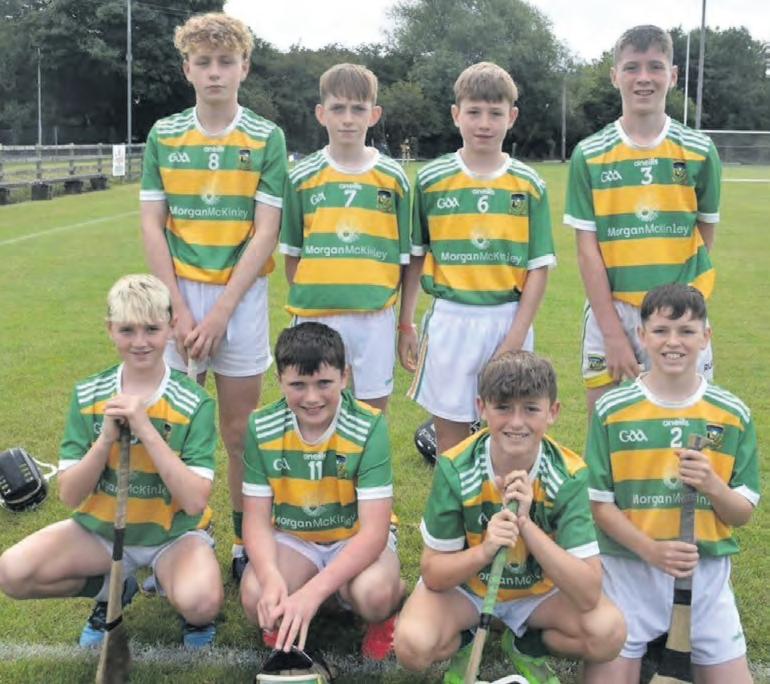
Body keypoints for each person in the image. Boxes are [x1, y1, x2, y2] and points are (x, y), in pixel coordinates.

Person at [140, 12, 288, 580]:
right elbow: (153, 225)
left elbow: (265, 232)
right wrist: (178, 310)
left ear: (244, 67)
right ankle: (185, 534)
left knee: (237, 431)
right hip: (176, 297)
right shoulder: (164, 134)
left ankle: (244, 540)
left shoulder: (266, 136)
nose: (215, 72)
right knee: (174, 426)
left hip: (240, 300)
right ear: (187, 69)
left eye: (226, 61)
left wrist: (222, 311)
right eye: (203, 62)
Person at [0, 274, 222, 649]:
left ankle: (177, 581)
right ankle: (114, 590)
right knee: (13, 573)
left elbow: (195, 500)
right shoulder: (89, 394)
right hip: (103, 531)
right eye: (127, 330)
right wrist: (104, 440)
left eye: (151, 329)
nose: (140, 342)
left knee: (201, 604)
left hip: (172, 535)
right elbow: (70, 495)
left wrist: (146, 430)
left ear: (171, 328)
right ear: (110, 330)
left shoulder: (194, 402)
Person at [394, 351, 626, 683]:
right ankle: (466, 640)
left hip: (540, 596)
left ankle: (527, 645)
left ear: (552, 412)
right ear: (481, 408)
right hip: (468, 592)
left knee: (608, 633)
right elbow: (433, 573)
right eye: (503, 408)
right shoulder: (455, 468)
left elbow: (589, 591)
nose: (516, 422)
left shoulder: (569, 476)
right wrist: (486, 550)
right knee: (412, 646)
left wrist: (526, 526)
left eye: (531, 409)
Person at [583, 283, 758, 683]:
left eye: (686, 331)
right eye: (661, 331)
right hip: (629, 572)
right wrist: (652, 551)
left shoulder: (732, 414)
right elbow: (599, 504)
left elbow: (742, 512)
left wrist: (713, 485)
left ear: (705, 338)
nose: (673, 342)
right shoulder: (613, 410)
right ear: (642, 336)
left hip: (705, 578)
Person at [563, 25, 721, 416]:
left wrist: (679, 307)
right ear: (614, 75)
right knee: (608, 427)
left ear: (674, 75)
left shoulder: (700, 151)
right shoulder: (589, 154)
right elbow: (587, 252)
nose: (644, 77)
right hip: (612, 312)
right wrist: (613, 333)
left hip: (680, 314)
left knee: (683, 428)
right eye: (632, 67)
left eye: (655, 66)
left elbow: (705, 232)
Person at [399, 61, 555, 455]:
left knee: (512, 435)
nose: (484, 123)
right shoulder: (431, 180)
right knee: (451, 444)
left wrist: (515, 339)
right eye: (474, 112)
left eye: (495, 113)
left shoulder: (529, 184)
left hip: (507, 319)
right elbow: (417, 257)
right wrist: (406, 322)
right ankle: (455, 498)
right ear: (456, 114)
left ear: (511, 117)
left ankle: (508, 499)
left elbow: (538, 269)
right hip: (451, 320)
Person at [239, 322, 405, 661]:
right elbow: (255, 521)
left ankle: (380, 615)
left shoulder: (369, 425)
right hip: (295, 539)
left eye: (324, 383)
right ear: (279, 380)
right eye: (298, 385)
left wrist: (312, 592)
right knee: (256, 596)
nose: (312, 398)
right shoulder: (261, 426)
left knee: (375, 595)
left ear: (344, 377)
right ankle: (323, 595)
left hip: (353, 537)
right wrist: (270, 578)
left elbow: (374, 532)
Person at [279, 63, 411, 413]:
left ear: (374, 114)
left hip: (374, 318)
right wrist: (320, 295)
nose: (348, 119)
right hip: (315, 318)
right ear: (321, 114)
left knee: (370, 416)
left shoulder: (394, 178)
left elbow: (406, 260)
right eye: (338, 108)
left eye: (358, 109)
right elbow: (292, 256)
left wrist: (403, 322)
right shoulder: (301, 177)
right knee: (314, 412)